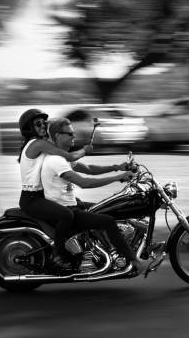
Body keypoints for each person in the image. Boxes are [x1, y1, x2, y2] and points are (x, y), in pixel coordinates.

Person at [41, 117, 150, 274]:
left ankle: (103, 250)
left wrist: (118, 167)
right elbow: (85, 183)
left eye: (73, 133)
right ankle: (137, 262)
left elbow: (89, 168)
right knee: (108, 221)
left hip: (71, 204)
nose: (74, 136)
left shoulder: (63, 157)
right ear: (57, 136)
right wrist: (118, 177)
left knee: (107, 208)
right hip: (66, 209)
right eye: (69, 134)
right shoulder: (55, 160)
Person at [17, 109, 92, 270]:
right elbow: (69, 156)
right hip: (32, 199)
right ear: (29, 128)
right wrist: (85, 150)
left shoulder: (39, 145)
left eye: (44, 123)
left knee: (79, 206)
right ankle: (58, 255)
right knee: (66, 215)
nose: (43, 126)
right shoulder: (37, 144)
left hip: (40, 195)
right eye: (38, 124)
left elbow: (67, 158)